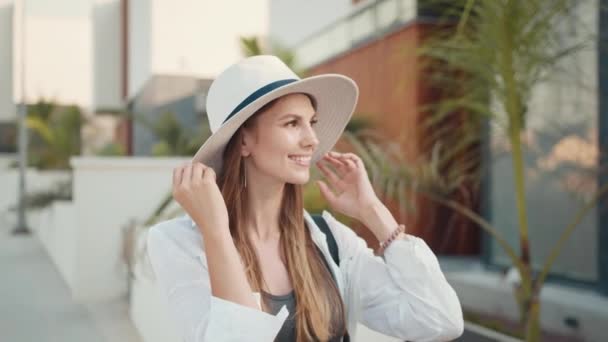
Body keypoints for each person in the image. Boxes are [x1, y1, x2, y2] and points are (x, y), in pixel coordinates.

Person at [146, 55, 464, 342]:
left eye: (311, 122)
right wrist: (216, 232)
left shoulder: (332, 240)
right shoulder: (182, 243)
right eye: (292, 123)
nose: (312, 140)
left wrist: (373, 212)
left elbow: (440, 320)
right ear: (244, 141)